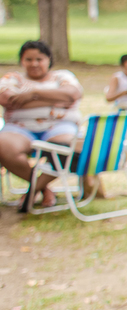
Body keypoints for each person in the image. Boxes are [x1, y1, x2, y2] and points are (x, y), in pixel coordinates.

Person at [0, 40, 84, 211]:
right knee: (3, 146)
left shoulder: (62, 76)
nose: (34, 64)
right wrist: (54, 101)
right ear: (22, 61)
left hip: (59, 126)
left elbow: (72, 94)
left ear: (49, 59)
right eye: (28, 59)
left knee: (71, 147)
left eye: (39, 59)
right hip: (19, 128)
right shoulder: (12, 78)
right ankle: (42, 187)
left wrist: (33, 94)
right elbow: (8, 100)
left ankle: (33, 190)